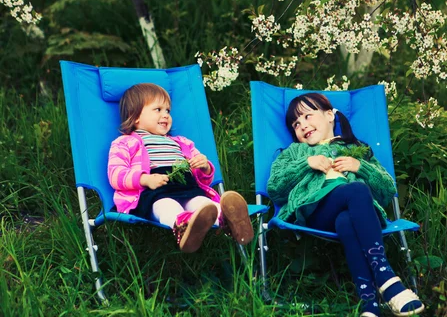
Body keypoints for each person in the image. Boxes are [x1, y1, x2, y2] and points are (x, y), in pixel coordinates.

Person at [267, 93, 424, 317]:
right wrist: (306, 164)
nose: (302, 126)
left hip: (355, 216)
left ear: (330, 115)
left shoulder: (356, 148)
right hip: (316, 212)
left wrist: (361, 167)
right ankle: (386, 278)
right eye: (296, 124)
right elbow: (275, 188)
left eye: (308, 116)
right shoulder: (296, 152)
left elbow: (387, 189)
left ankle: (369, 306)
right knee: (357, 190)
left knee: (347, 220)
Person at [108, 83, 254, 253]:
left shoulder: (181, 142)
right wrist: (144, 179)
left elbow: (202, 179)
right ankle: (184, 227)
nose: (166, 115)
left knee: (204, 204)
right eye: (158, 109)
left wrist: (204, 167)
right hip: (153, 192)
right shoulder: (125, 142)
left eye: (168, 111)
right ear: (135, 117)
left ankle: (228, 220)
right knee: (166, 206)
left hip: (187, 187)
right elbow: (115, 174)